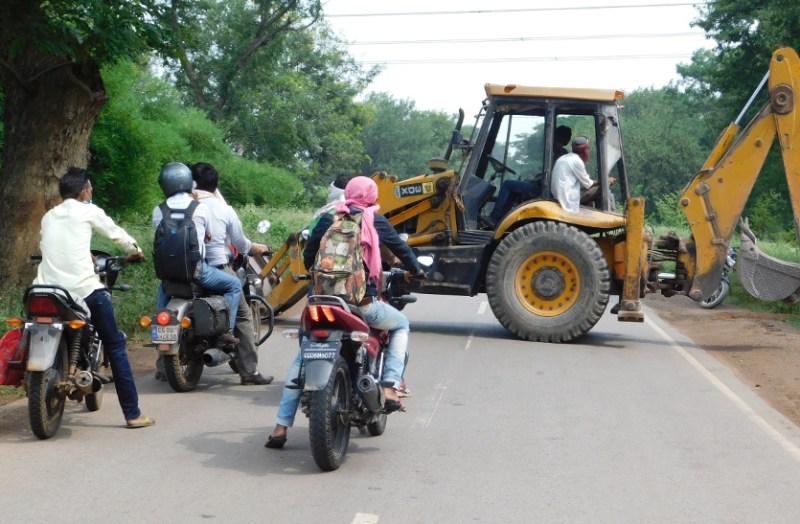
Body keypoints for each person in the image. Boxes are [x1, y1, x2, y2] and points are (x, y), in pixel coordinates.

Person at [265, 176, 422, 449]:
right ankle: (389, 385)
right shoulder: (374, 220)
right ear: (372, 196)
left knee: (303, 355)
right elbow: (402, 250)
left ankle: (280, 427)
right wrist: (417, 271)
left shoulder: (327, 217)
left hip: (321, 302)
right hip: (360, 304)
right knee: (400, 325)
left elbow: (309, 254)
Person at [33, 167, 154, 428]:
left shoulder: (49, 216)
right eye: (90, 189)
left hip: (47, 291)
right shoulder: (89, 210)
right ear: (84, 190)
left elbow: (55, 245)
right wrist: (137, 251)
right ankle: (133, 414)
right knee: (115, 346)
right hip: (85, 290)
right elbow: (117, 234)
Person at [191, 162, 274, 385]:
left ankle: (163, 366)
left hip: (184, 268)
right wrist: (258, 247)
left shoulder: (182, 205)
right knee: (243, 316)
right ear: (215, 184)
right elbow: (240, 243)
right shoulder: (223, 209)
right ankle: (249, 372)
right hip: (217, 266)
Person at [152, 162, 242, 345]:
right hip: (198, 272)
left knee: (163, 288)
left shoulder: (158, 210)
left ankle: (159, 330)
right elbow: (208, 236)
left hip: (168, 273)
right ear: (188, 182)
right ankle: (227, 331)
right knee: (234, 285)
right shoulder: (200, 208)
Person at [487, 125, 573, 227]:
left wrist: (536, 180)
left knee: (507, 184)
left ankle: (494, 217)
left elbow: (552, 176)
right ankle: (501, 219)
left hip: (543, 190)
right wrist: (535, 179)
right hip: (545, 187)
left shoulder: (559, 154)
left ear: (556, 137)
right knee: (514, 189)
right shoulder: (562, 154)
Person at [552, 136, 616, 213]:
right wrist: (606, 180)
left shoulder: (565, 158)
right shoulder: (576, 161)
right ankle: (607, 215)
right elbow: (588, 184)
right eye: (588, 149)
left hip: (559, 195)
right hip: (568, 197)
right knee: (604, 186)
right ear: (585, 150)